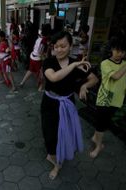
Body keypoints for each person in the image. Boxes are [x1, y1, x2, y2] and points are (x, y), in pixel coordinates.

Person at [41, 31, 98, 180]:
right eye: (56, 46)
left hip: (67, 104)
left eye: (63, 46)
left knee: (63, 135)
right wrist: (73, 65)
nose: (59, 49)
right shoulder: (49, 62)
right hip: (49, 104)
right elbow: (53, 77)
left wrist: (85, 86)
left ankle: (57, 164)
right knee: (49, 135)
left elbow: (94, 79)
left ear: (71, 46)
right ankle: (52, 155)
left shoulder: (77, 64)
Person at [90, 37, 126, 158]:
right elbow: (116, 76)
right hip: (105, 97)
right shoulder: (105, 63)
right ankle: (98, 145)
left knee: (103, 123)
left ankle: (97, 140)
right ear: (112, 49)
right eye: (117, 50)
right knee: (100, 123)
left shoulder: (124, 64)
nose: (120, 54)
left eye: (123, 52)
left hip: (117, 98)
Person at [19, 24, 51, 91]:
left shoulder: (39, 38)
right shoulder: (44, 40)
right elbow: (40, 52)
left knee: (30, 70)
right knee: (41, 73)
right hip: (37, 59)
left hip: (32, 56)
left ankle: (22, 82)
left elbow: (35, 48)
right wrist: (46, 55)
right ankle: (40, 87)